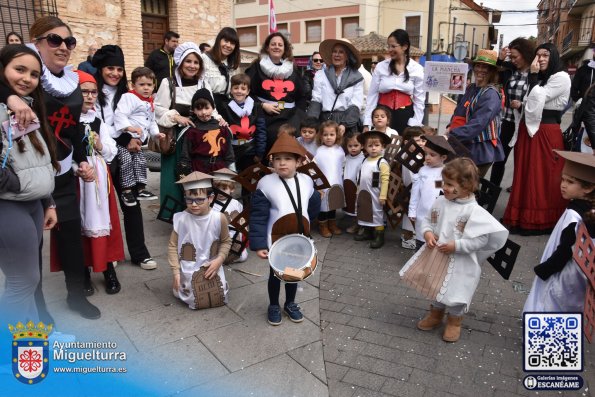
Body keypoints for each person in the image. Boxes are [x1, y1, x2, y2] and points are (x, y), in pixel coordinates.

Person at [23, 16, 99, 319]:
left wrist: (82, 159)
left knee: (70, 237)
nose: (63, 47)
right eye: (54, 40)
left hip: (64, 173)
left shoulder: (72, 83)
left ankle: (76, 295)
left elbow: (74, 130)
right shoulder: (23, 79)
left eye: (69, 41)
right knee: (30, 244)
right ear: (37, 42)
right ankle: (38, 307)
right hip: (29, 177)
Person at [399, 158, 508, 342]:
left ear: (466, 186)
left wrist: (457, 246)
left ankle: (454, 321)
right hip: (438, 255)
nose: (444, 187)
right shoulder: (440, 201)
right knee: (436, 284)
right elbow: (427, 219)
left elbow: (481, 239)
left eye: (450, 184)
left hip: (461, 262)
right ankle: (436, 314)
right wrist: (427, 233)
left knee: (457, 289)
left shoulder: (474, 211)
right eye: (444, 182)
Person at [0, 44, 58, 324]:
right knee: (23, 281)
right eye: (19, 69)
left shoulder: (29, 109)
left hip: (32, 204)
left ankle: (31, 344)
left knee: (28, 280)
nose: (26, 79)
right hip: (8, 204)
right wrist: (17, 184)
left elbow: (38, 160)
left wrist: (47, 201)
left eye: (34, 74)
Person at [93, 44, 157, 270]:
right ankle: (110, 253)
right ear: (100, 69)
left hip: (126, 152)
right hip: (101, 156)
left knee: (132, 205)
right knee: (106, 207)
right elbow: (99, 125)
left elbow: (145, 117)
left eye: (119, 69)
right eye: (110, 68)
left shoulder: (128, 94)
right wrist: (125, 139)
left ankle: (140, 253)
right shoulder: (94, 92)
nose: (115, 73)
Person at [249, 133, 321, 325]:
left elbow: (313, 204)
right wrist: (259, 244)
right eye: (277, 159)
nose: (282, 163)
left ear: (298, 161)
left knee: (294, 272)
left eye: (288, 159)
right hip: (276, 238)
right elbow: (258, 216)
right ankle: (273, 304)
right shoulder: (266, 183)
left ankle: (290, 303)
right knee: (275, 273)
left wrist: (307, 225)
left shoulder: (306, 180)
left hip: (299, 237)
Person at [502, 43, 570, 235]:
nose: (540, 59)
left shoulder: (561, 77)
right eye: (538, 55)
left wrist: (532, 78)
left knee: (541, 176)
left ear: (554, 57)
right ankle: (520, 218)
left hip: (545, 132)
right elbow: (533, 100)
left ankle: (539, 221)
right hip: (530, 129)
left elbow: (538, 99)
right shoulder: (543, 78)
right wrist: (523, 101)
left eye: (545, 55)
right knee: (524, 174)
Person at [155, 42, 223, 220]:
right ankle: (176, 216)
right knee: (175, 179)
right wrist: (176, 117)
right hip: (176, 139)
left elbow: (211, 108)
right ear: (180, 62)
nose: (192, 66)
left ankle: (197, 213)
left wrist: (219, 119)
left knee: (197, 177)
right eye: (188, 61)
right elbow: (158, 109)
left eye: (196, 62)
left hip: (198, 139)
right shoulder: (168, 83)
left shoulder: (203, 84)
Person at [524, 151, 595, 313]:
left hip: (565, 272)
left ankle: (545, 336)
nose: (563, 185)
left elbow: (565, 249)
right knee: (572, 305)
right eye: (563, 179)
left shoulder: (573, 215)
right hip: (582, 272)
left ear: (588, 187)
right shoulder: (590, 209)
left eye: (570, 182)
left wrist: (545, 269)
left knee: (551, 302)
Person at [75, 70, 124, 295]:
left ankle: (107, 270)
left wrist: (101, 146)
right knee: (80, 225)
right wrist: (78, 168)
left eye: (93, 92)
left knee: (103, 223)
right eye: (84, 91)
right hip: (78, 180)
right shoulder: (69, 120)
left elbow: (111, 150)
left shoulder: (98, 121)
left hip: (99, 179)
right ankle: (83, 270)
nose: (89, 96)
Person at [168, 171, 231, 310]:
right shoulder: (182, 219)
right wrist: (176, 272)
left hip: (211, 265)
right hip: (189, 267)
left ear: (211, 198)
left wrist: (219, 260)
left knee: (218, 295)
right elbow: (172, 246)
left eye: (199, 200)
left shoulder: (219, 218)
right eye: (189, 200)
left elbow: (226, 241)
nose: (194, 204)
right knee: (191, 296)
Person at [246, 32, 307, 157]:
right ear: (267, 47)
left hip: (290, 117)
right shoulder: (256, 67)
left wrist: (299, 115)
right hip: (266, 116)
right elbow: (247, 93)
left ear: (285, 49)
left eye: (280, 45)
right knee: (271, 141)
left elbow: (302, 95)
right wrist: (261, 105)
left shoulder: (292, 68)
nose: (276, 47)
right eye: (273, 44)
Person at [446, 49, 505, 177]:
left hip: (481, 149)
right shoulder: (470, 88)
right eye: (478, 65)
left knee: (467, 187)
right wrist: (449, 126)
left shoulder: (491, 94)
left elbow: (478, 123)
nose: (480, 70)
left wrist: (452, 135)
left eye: (485, 67)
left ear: (492, 71)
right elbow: (459, 111)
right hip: (464, 144)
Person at [113, 66, 164, 205]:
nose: (146, 88)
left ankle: (141, 189)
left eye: (149, 85)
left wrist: (155, 134)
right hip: (125, 139)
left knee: (141, 162)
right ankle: (127, 191)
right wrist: (128, 127)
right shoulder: (129, 97)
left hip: (139, 142)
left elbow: (151, 121)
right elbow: (120, 114)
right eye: (142, 85)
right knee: (126, 162)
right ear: (133, 85)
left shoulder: (149, 102)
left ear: (154, 86)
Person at [489, 38, 534, 188]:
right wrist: (500, 60)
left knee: (522, 161)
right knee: (499, 159)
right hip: (508, 121)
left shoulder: (536, 73)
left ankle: (517, 192)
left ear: (526, 54)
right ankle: (490, 193)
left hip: (525, 124)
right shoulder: (510, 70)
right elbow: (495, 77)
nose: (513, 60)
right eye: (511, 57)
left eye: (516, 57)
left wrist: (522, 105)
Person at [364, 29, 425, 134]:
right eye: (388, 46)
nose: (389, 49)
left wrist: (415, 122)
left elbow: (419, 99)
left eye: (393, 46)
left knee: (402, 146)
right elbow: (372, 96)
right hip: (382, 116)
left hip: (406, 116)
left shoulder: (417, 69)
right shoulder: (381, 67)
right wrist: (367, 122)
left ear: (404, 47)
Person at [307, 38, 364, 135]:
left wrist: (344, 124)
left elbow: (355, 104)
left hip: (346, 123)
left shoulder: (356, 77)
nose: (337, 55)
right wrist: (310, 124)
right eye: (334, 51)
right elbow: (316, 100)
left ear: (347, 56)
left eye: (341, 52)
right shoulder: (321, 75)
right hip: (325, 122)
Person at [409, 135, 456, 250]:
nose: (427, 158)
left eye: (432, 155)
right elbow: (415, 193)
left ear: (443, 157)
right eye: (426, 154)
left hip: (438, 214)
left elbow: (444, 191)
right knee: (421, 238)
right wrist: (412, 211)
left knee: (435, 240)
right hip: (422, 213)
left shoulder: (446, 173)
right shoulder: (422, 171)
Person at [177, 88, 234, 175]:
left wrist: (231, 169)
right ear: (193, 110)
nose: (203, 112)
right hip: (198, 168)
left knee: (219, 189)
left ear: (213, 107)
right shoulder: (191, 130)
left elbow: (229, 153)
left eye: (207, 108)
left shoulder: (222, 127)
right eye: (199, 109)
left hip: (220, 168)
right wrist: (184, 172)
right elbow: (186, 155)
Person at [220, 73, 267, 172]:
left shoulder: (256, 107)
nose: (239, 91)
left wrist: (259, 153)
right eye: (236, 88)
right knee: (229, 180)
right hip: (231, 150)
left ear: (248, 91)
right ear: (231, 90)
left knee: (247, 180)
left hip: (249, 150)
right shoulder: (224, 107)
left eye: (243, 88)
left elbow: (261, 131)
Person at [354, 130, 391, 248]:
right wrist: (358, 190)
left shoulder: (382, 162)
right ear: (364, 147)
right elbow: (360, 177)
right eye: (370, 146)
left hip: (376, 194)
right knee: (365, 211)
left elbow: (385, 180)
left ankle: (379, 235)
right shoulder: (364, 160)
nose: (373, 148)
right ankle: (367, 231)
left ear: (382, 147)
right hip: (364, 193)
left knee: (376, 213)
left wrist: (383, 195)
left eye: (376, 145)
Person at [314, 120, 344, 238]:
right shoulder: (320, 151)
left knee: (333, 203)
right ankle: (323, 225)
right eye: (325, 135)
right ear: (321, 136)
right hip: (323, 183)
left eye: (331, 134)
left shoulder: (339, 150)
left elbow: (342, 164)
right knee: (323, 206)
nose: (328, 137)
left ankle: (332, 223)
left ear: (337, 135)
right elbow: (314, 167)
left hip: (336, 181)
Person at [400, 126, 428, 250]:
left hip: (419, 192)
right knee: (410, 216)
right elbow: (411, 178)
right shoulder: (409, 157)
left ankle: (413, 238)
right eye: (417, 141)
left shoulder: (420, 155)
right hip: (412, 192)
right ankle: (408, 238)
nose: (421, 143)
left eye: (423, 140)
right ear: (407, 143)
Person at [211, 173, 248, 263]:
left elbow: (241, 219)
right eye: (217, 189)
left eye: (224, 189)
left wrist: (244, 231)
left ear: (231, 189)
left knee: (243, 256)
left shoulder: (236, 203)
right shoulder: (212, 204)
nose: (220, 192)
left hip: (235, 235)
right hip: (220, 236)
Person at [201, 27, 240, 112]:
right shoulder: (205, 59)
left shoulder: (232, 64)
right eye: (226, 41)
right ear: (219, 40)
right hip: (208, 106)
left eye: (232, 43)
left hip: (227, 106)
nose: (228, 45)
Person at [343, 132, 364, 234]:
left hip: (358, 186)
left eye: (356, 145)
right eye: (350, 146)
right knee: (351, 205)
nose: (353, 148)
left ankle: (360, 226)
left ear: (362, 145)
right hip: (348, 186)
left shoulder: (363, 159)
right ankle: (356, 224)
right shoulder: (346, 158)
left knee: (359, 206)